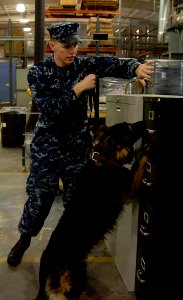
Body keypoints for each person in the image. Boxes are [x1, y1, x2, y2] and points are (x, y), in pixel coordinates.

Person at [7, 22, 154, 267]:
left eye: (75, 44)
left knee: (77, 205)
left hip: (77, 149)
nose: (72, 50)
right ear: (52, 46)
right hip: (47, 151)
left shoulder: (83, 65)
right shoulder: (38, 72)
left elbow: (113, 64)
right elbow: (51, 111)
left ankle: (71, 253)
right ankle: (24, 240)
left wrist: (136, 67)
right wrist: (79, 87)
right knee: (39, 200)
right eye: (66, 46)